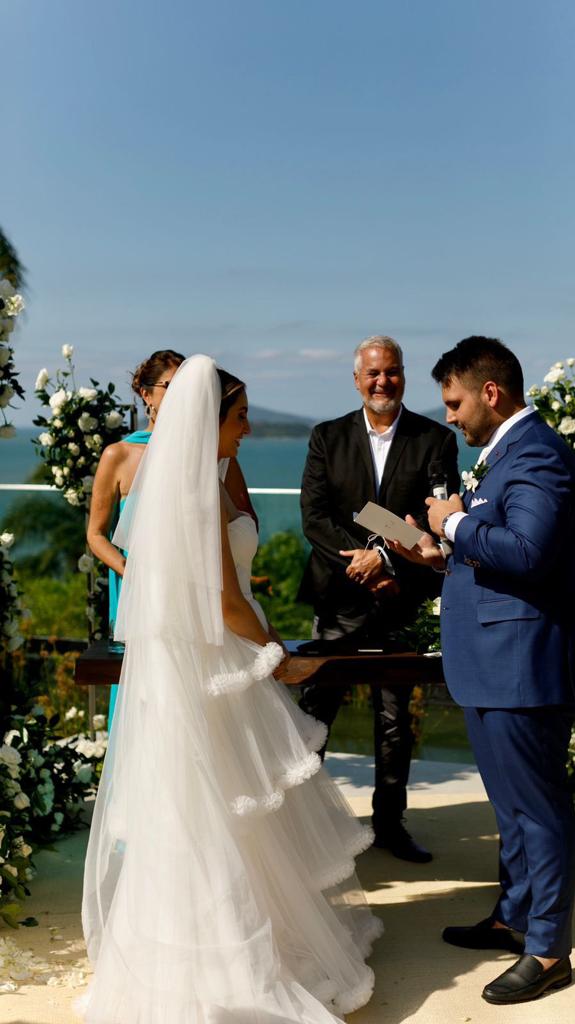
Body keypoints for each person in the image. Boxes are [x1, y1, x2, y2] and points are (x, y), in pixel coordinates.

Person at [79, 355, 382, 1024]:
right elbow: (223, 600)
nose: (247, 429)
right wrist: (276, 656)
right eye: (241, 416)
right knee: (220, 812)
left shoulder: (186, 483)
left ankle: (204, 946)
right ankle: (228, 965)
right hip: (219, 664)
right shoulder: (197, 492)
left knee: (208, 811)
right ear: (210, 419)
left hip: (205, 663)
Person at [389, 336, 575, 1005]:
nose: (447, 416)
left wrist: (452, 525)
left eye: (453, 402)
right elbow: (497, 547)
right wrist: (437, 550)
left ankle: (547, 950)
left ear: (489, 392)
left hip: (524, 664)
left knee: (537, 811)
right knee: (511, 810)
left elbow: (532, 552)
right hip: (490, 663)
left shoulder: (537, 452)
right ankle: (513, 915)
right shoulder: (503, 453)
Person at [298, 335, 459, 863]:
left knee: (395, 719)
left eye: (391, 372)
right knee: (316, 707)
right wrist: (363, 563)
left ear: (403, 375)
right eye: (372, 374)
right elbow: (315, 517)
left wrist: (387, 561)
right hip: (339, 595)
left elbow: (437, 517)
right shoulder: (327, 436)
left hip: (401, 594)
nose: (382, 381)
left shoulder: (435, 439)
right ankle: (303, 822)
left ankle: (390, 824)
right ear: (356, 380)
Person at [87, 349, 256, 727]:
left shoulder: (216, 454)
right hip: (141, 586)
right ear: (146, 394)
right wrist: (134, 572)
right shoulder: (119, 454)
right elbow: (96, 535)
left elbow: (241, 521)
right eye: (170, 386)